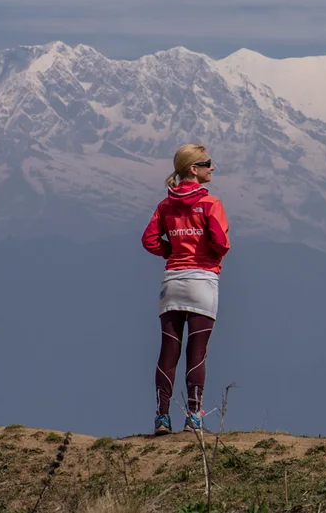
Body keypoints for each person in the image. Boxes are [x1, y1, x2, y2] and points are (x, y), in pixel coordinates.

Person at [141, 143, 230, 435]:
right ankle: (193, 417)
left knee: (168, 351)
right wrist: (207, 253)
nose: (212, 167)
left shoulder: (165, 206)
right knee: (197, 352)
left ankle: (162, 417)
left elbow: (149, 240)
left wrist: (172, 250)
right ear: (194, 169)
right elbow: (221, 243)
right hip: (202, 281)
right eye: (207, 163)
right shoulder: (211, 204)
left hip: (172, 283)